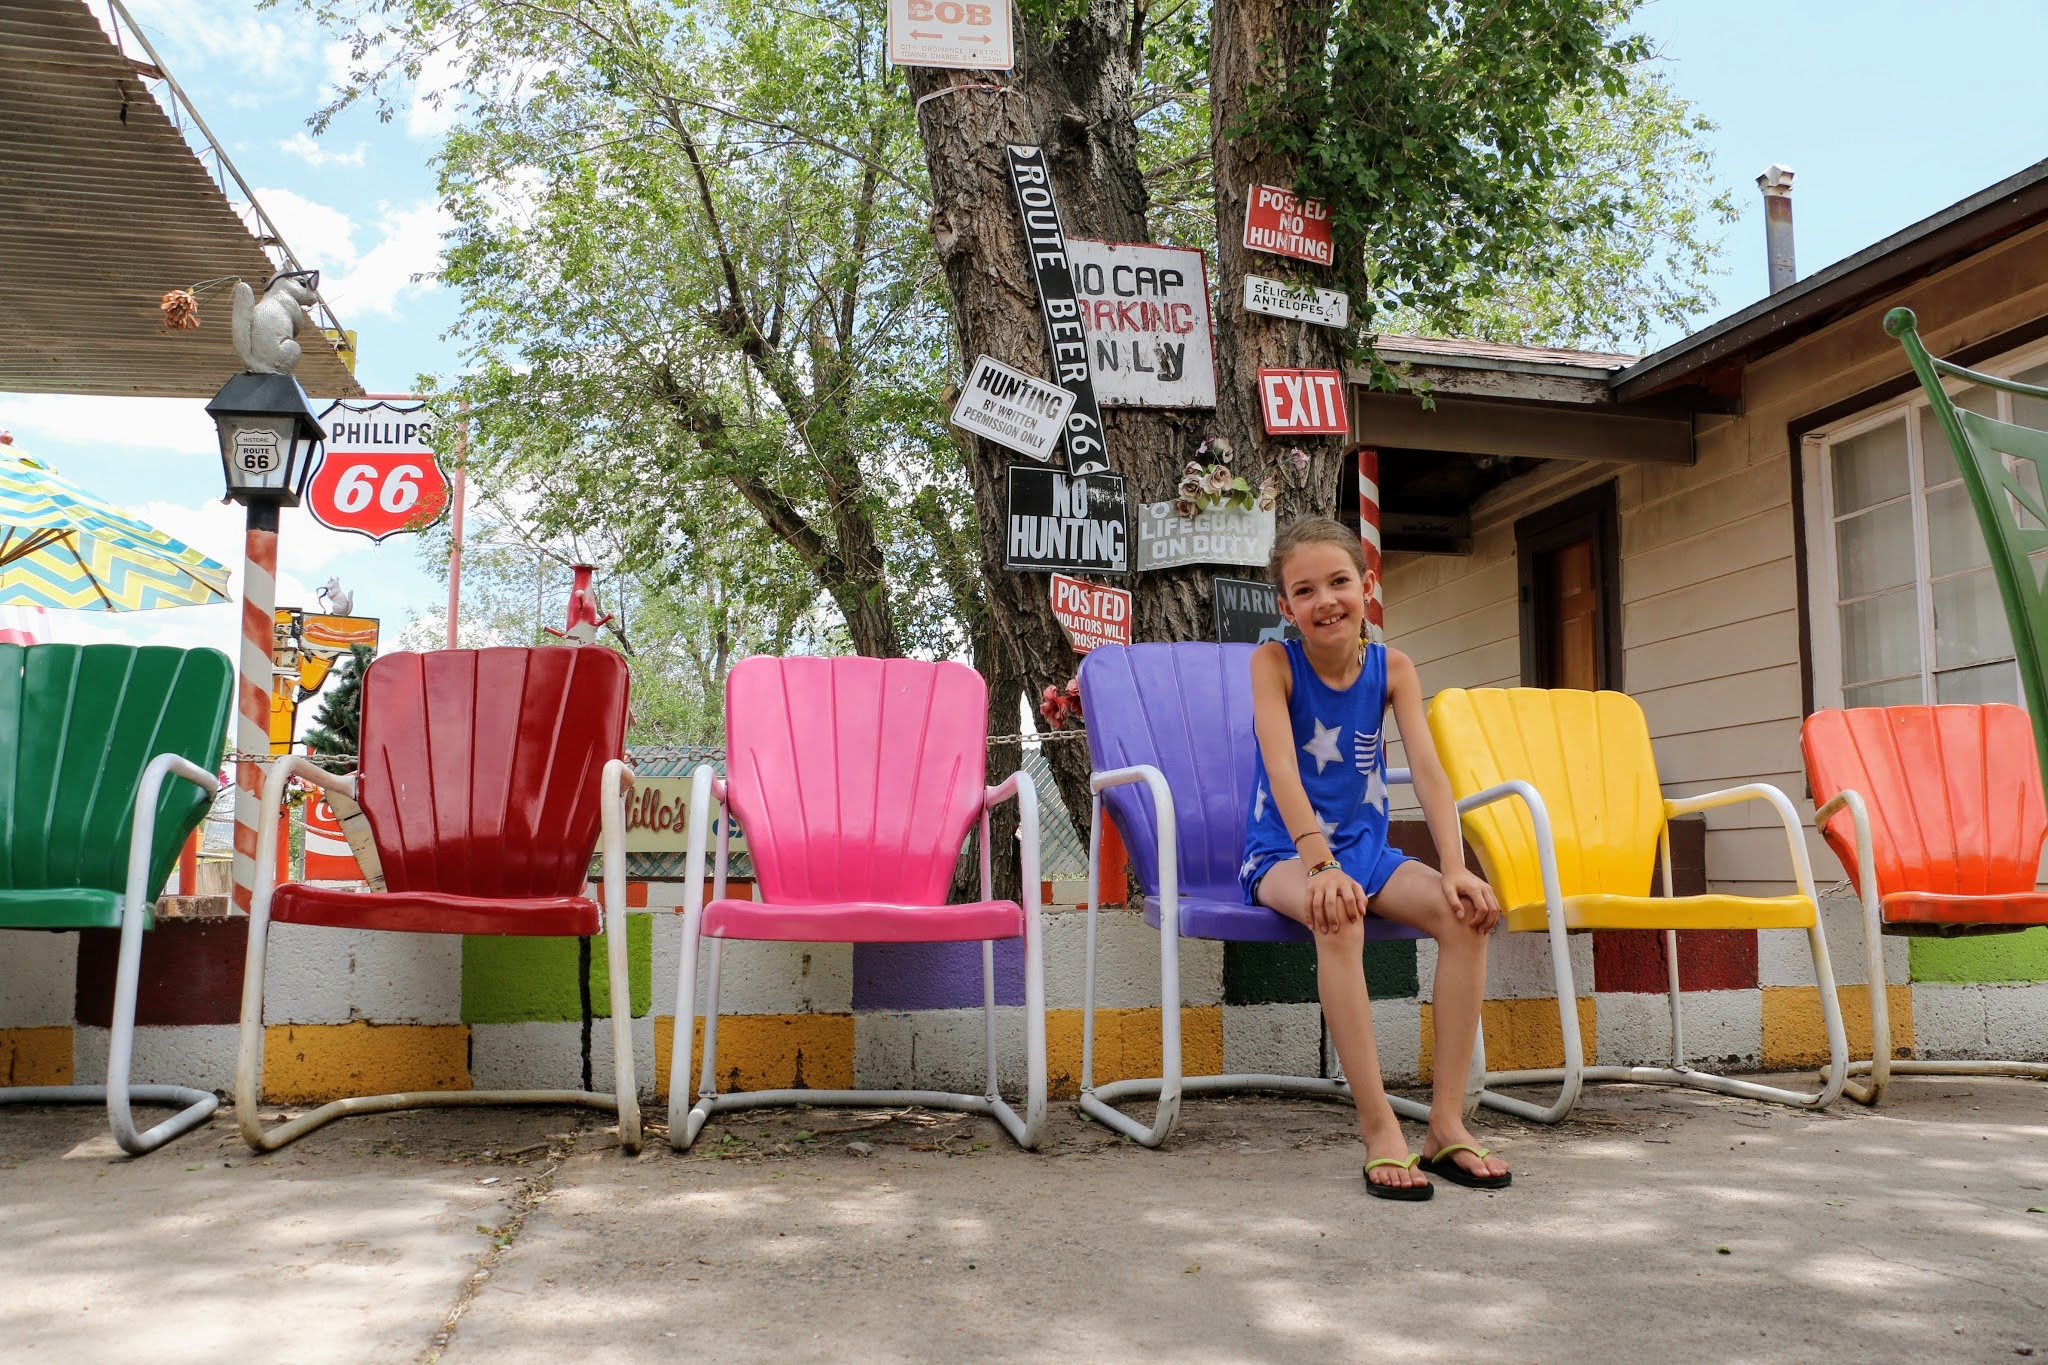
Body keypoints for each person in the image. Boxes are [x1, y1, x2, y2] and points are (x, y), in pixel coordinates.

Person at [1241, 516, 1510, 1201]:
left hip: (1367, 850)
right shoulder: (1274, 664)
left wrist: (1454, 864)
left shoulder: (1395, 669)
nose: (1325, 600)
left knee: (1464, 914)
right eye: (1305, 590)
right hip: (1284, 853)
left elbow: (1427, 768)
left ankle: (1446, 1123)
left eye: (1338, 581)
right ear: (1286, 607)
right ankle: (1380, 1127)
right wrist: (1320, 867)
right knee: (1340, 919)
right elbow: (1281, 769)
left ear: (1367, 586)